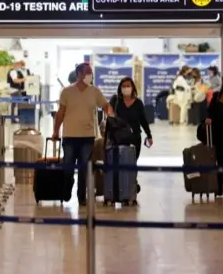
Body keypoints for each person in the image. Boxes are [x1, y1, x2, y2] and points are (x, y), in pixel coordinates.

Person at [52, 63, 114, 206]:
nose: (90, 75)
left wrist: (111, 115)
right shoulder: (67, 92)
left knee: (83, 168)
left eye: (91, 72)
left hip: (87, 137)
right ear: (79, 74)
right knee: (68, 166)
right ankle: (67, 186)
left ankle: (81, 196)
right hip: (69, 136)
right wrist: (56, 131)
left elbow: (105, 105)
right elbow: (61, 113)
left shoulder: (95, 91)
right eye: (87, 72)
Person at [109, 77, 153, 160]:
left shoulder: (138, 103)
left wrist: (149, 135)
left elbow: (143, 120)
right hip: (118, 138)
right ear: (120, 88)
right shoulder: (116, 101)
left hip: (134, 138)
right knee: (118, 163)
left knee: (132, 163)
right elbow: (109, 114)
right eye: (124, 86)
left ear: (132, 87)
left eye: (128, 86)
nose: (126, 88)